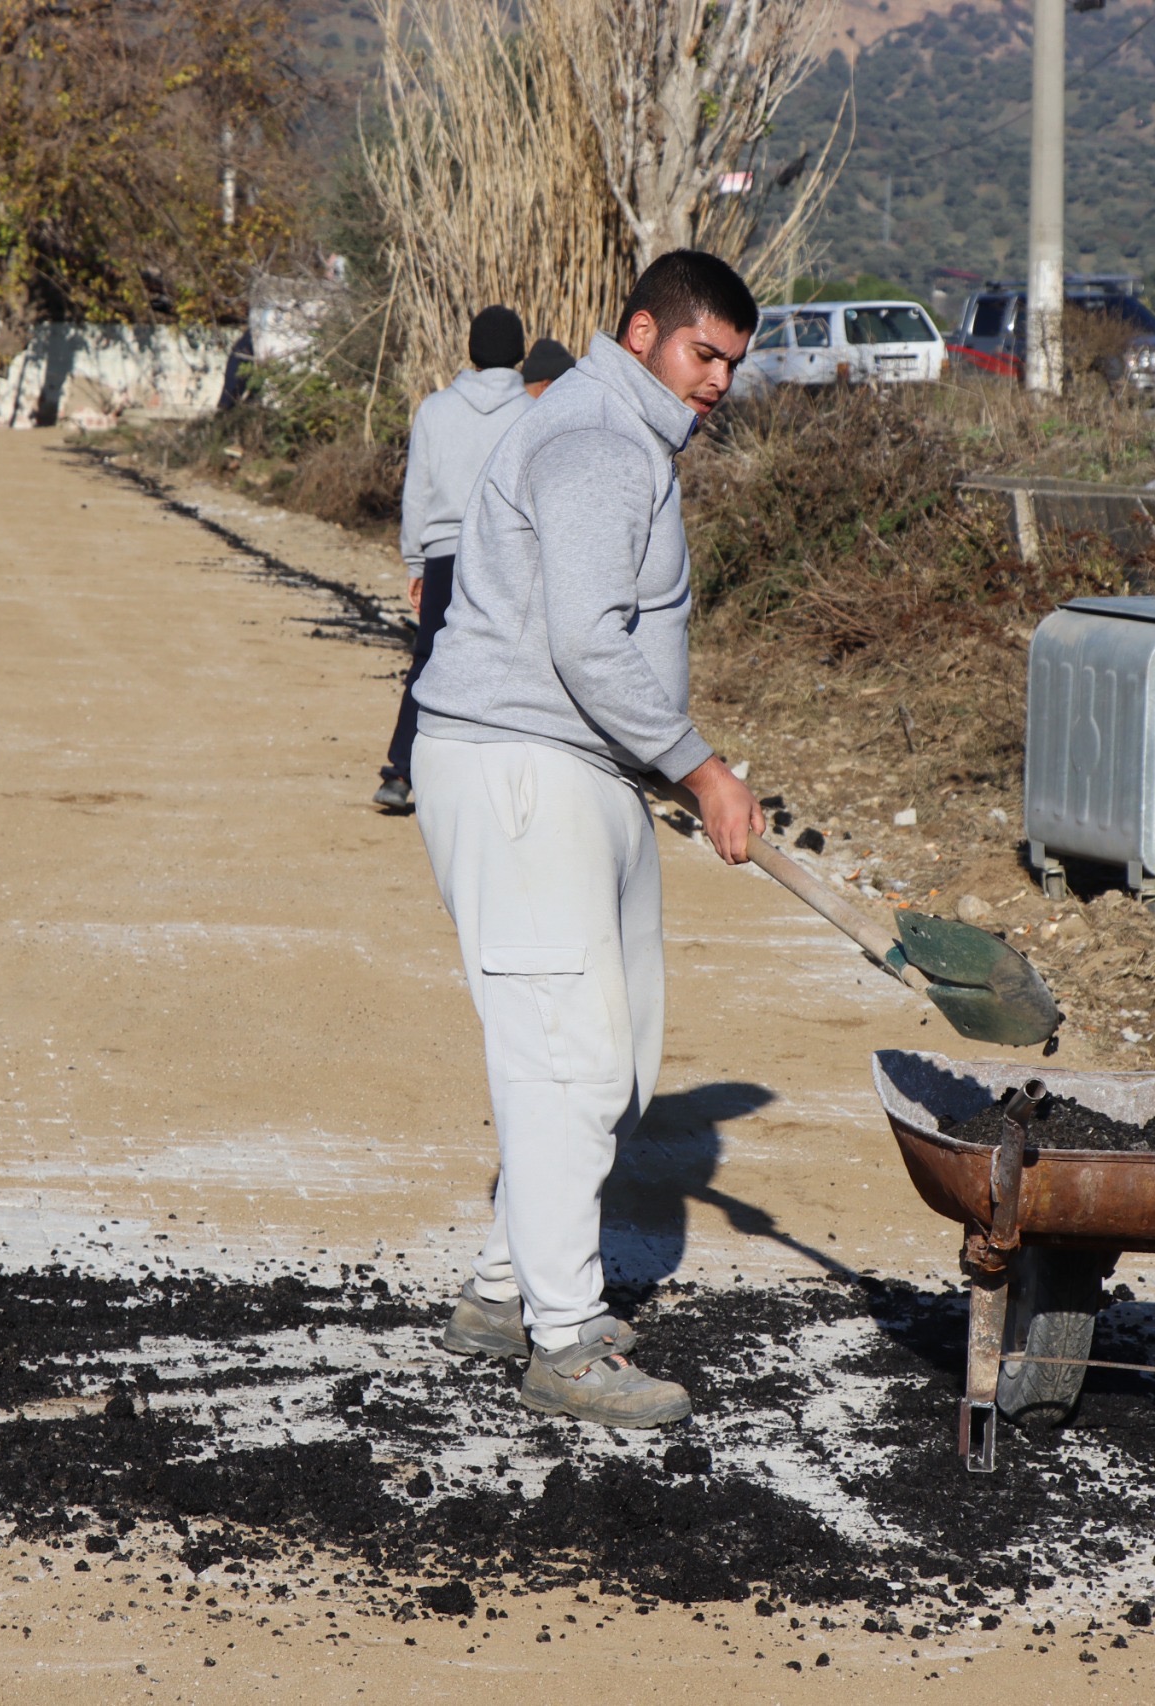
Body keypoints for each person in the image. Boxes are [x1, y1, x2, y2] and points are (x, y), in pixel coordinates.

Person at [407, 251, 762, 1428]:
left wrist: (661, 764)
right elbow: (586, 644)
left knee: (610, 1057)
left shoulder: (623, 435)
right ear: (643, 329)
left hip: (578, 767)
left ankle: (508, 1292)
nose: (715, 381)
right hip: (522, 768)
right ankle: (561, 1341)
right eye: (701, 353)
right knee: (563, 1054)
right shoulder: (603, 444)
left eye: (732, 365)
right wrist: (701, 766)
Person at [371, 305, 533, 812]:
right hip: (504, 554)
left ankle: (400, 774)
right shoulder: (532, 414)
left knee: (428, 661)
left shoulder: (436, 410)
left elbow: (415, 493)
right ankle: (490, 784)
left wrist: (415, 562)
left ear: (471, 352)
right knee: (507, 663)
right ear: (521, 353)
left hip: (443, 554)